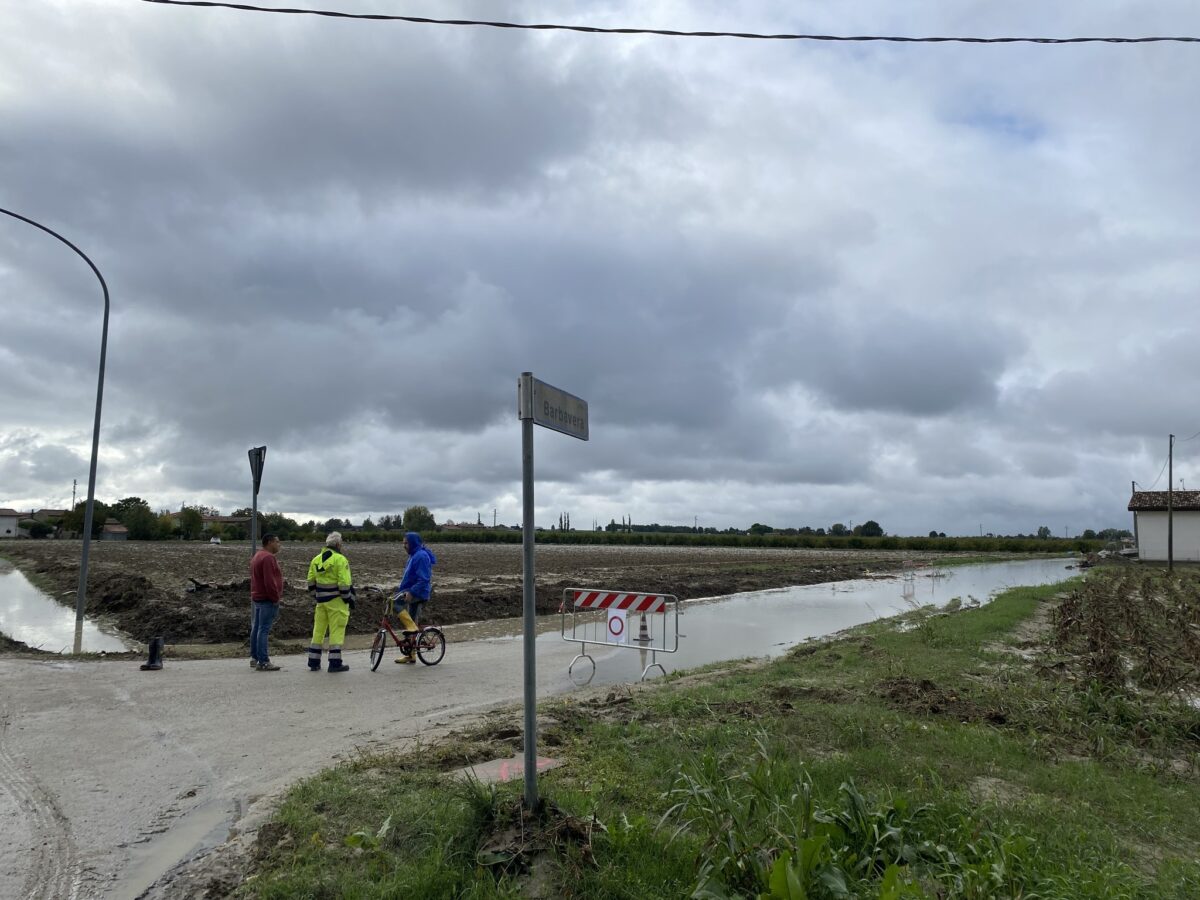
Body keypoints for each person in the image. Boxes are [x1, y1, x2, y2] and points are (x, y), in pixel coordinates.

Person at [306, 531, 355, 673]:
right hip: (337, 602)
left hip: (321, 602)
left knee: (318, 631)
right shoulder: (340, 560)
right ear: (338, 544)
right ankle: (335, 663)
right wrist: (348, 599)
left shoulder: (316, 559)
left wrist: (318, 596)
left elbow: (310, 581)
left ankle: (313, 662)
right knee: (336, 631)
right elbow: (344, 584)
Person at [392, 531, 436, 664]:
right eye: (403, 543)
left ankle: (412, 630)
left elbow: (424, 579)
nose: (404, 546)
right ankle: (411, 654)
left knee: (397, 605)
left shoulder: (421, 556)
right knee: (409, 619)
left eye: (406, 543)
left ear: (413, 543)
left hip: (419, 594)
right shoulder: (413, 555)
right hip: (410, 591)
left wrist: (411, 592)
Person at [249, 532, 283, 671]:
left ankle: (255, 657)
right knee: (263, 630)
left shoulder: (258, 555)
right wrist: (275, 598)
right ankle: (263, 661)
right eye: (277, 541)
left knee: (256, 628)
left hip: (258, 597)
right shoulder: (268, 558)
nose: (279, 545)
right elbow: (269, 581)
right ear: (270, 542)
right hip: (267, 598)